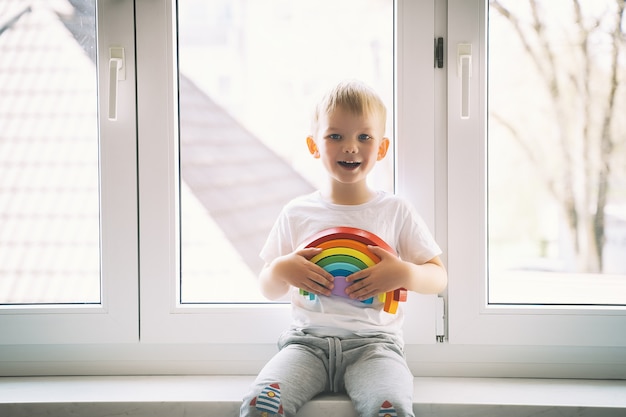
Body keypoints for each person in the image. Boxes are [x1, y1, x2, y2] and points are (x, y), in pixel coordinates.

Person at [240, 80, 447, 417]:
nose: (350, 147)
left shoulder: (395, 211)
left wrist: (405, 272)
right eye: (335, 136)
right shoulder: (297, 212)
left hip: (375, 349)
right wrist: (279, 270)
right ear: (313, 145)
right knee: (261, 403)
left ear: (381, 148)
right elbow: (267, 286)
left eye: (364, 137)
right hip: (305, 345)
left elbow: (438, 277)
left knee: (390, 408)